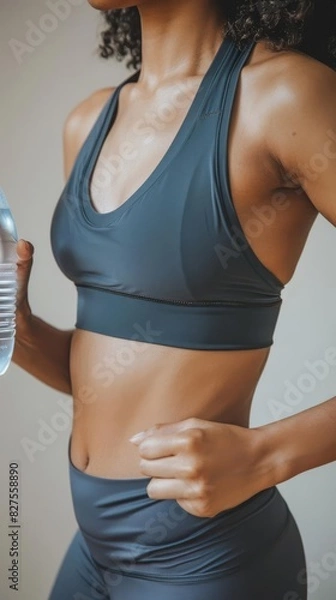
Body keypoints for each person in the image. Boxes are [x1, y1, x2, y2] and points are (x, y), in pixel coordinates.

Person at [13, 1, 336, 598]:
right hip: (92, 548)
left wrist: (266, 456)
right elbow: (114, 373)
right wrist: (20, 329)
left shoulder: (286, 96)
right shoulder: (88, 122)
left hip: (206, 558)